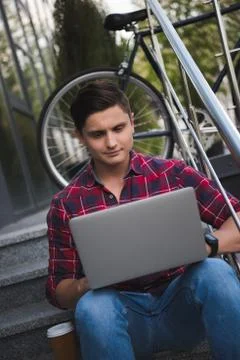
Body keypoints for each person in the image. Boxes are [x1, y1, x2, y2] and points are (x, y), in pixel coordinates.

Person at [46, 80, 240, 360]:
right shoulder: (66, 204)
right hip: (121, 320)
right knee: (91, 306)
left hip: (182, 309)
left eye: (118, 128)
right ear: (80, 136)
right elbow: (58, 292)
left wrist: (207, 246)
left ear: (133, 123)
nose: (111, 142)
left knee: (217, 273)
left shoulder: (172, 174)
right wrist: (85, 284)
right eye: (98, 134)